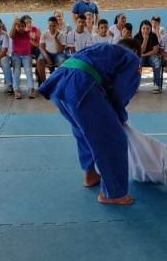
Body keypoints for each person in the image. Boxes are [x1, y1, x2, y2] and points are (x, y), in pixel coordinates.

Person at [38, 39, 141, 205]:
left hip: (59, 83)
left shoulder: (100, 47)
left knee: (82, 131)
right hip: (80, 85)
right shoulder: (132, 59)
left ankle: (90, 174)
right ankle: (112, 193)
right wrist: (119, 117)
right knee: (114, 138)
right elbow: (120, 92)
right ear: (135, 51)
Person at [9, 16, 36, 99]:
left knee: (28, 71)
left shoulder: (27, 33)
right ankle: (16, 89)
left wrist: (31, 32)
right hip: (16, 55)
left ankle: (32, 89)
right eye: (18, 26)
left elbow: (34, 36)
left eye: (22, 26)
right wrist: (14, 24)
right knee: (16, 71)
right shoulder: (14, 33)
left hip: (26, 55)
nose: (20, 28)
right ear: (16, 26)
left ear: (25, 27)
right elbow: (10, 35)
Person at [36, 16, 67, 85]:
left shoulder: (62, 34)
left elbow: (60, 50)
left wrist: (55, 38)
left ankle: (60, 83)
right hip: (47, 53)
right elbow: (41, 47)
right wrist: (47, 58)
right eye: (50, 26)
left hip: (58, 54)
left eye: (54, 26)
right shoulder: (44, 34)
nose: (52, 28)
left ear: (57, 25)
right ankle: (45, 83)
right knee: (39, 61)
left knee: (63, 63)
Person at [133, 20, 162, 94]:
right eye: (143, 28)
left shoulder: (154, 36)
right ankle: (135, 85)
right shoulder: (136, 37)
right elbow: (140, 51)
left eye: (148, 28)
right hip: (140, 54)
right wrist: (145, 40)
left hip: (150, 54)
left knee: (157, 63)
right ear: (140, 28)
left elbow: (155, 50)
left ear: (150, 29)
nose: (145, 30)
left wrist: (144, 55)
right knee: (137, 64)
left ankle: (156, 84)